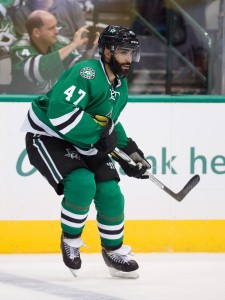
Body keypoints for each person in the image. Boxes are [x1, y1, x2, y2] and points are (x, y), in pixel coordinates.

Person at [21, 25, 151, 279]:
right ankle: (70, 241)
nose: (128, 59)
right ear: (106, 52)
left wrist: (130, 153)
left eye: (131, 53)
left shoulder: (120, 85)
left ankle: (113, 251)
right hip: (49, 136)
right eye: (123, 52)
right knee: (81, 183)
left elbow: (108, 122)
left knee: (111, 192)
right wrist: (100, 138)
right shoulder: (87, 72)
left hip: (83, 138)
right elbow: (61, 114)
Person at [10, 10, 91, 94]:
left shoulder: (60, 43)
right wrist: (73, 45)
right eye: (51, 28)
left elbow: (77, 69)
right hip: (22, 103)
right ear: (37, 32)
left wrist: (90, 52)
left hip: (54, 101)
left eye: (56, 26)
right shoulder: (19, 49)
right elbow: (41, 69)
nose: (57, 31)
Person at [10, 0, 86, 39]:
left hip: (74, 59)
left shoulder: (71, 5)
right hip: (43, 63)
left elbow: (83, 38)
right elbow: (26, 49)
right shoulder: (22, 13)